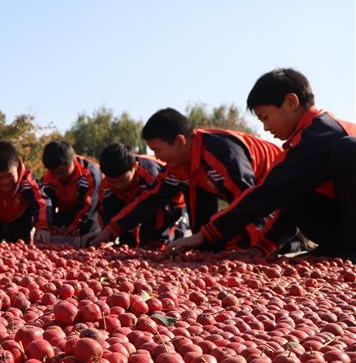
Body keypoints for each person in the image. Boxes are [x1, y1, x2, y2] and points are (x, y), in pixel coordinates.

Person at [170, 69, 356, 258]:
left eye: (265, 117)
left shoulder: (323, 132)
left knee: (348, 149)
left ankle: (348, 250)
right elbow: (287, 195)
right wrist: (261, 249)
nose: (266, 128)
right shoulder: (299, 144)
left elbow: (266, 193)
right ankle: (337, 248)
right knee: (291, 185)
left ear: (291, 102)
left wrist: (205, 234)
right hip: (339, 226)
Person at [91, 108, 287, 251]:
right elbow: (152, 197)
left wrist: (256, 248)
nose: (157, 158)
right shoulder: (179, 165)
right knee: (209, 243)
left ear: (179, 141)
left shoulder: (221, 154)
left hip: (276, 186)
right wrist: (111, 230)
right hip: (246, 196)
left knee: (249, 242)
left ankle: (289, 243)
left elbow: (249, 202)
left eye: (159, 150)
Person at [82, 143, 184, 248]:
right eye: (113, 182)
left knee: (156, 242)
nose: (119, 186)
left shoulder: (150, 175)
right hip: (135, 204)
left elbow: (152, 205)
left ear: (135, 166)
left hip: (169, 204)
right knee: (128, 242)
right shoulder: (106, 185)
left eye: (123, 180)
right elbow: (106, 211)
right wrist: (106, 232)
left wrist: (156, 242)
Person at [0, 141, 50, 243]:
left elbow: (40, 203)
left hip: (19, 218)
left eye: (9, 175)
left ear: (17, 166)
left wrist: (42, 227)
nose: (5, 181)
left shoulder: (27, 183)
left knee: (20, 246)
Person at [40, 141, 101, 235]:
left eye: (61, 173)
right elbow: (45, 203)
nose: (57, 177)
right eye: (53, 173)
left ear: (73, 162)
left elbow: (88, 206)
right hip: (64, 212)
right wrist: (44, 226)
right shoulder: (48, 177)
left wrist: (73, 229)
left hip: (91, 214)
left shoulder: (90, 174)